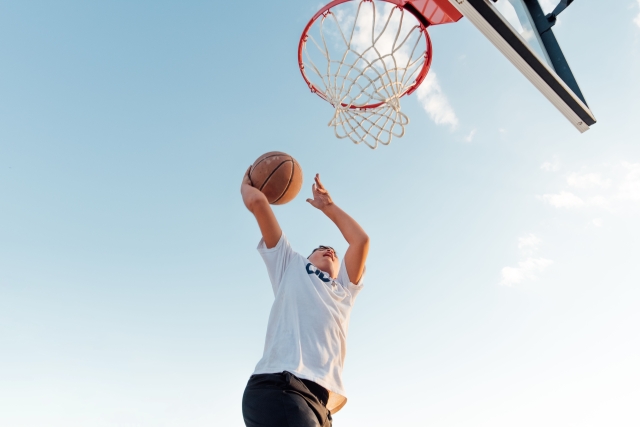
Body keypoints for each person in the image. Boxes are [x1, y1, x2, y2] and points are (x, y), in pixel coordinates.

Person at [240, 168, 370, 427]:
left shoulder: (344, 290)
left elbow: (360, 241)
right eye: (321, 249)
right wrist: (247, 185)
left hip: (319, 404)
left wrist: (329, 207)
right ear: (307, 257)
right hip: (280, 385)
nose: (329, 250)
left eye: (332, 250)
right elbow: (257, 203)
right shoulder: (291, 266)